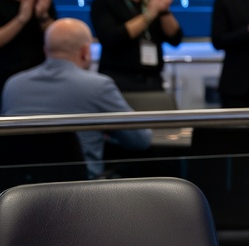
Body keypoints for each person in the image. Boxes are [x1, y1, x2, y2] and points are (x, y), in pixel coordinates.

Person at [2, 18, 151, 178]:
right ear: (85, 52)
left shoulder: (13, 84)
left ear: (46, 50)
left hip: (20, 187)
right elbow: (139, 140)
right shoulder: (98, 86)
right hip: (80, 188)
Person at [89, 0, 183, 92]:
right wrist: (149, 15)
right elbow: (111, 37)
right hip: (118, 81)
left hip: (153, 80)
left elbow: (175, 38)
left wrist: (164, 11)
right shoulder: (104, 1)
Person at [0, 0, 55, 98]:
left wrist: (43, 17)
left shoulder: (42, 3)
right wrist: (22, 18)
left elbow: (58, 41)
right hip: (5, 80)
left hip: (41, 80)